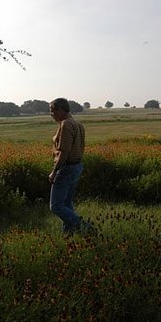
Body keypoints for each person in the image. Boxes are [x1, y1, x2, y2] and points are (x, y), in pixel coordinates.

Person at [48, 98, 93, 234]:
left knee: (56, 206)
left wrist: (55, 171)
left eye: (52, 111)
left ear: (61, 110)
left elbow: (65, 151)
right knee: (66, 204)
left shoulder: (66, 124)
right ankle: (68, 234)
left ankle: (86, 228)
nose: (51, 114)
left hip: (66, 168)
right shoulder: (77, 124)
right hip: (76, 167)